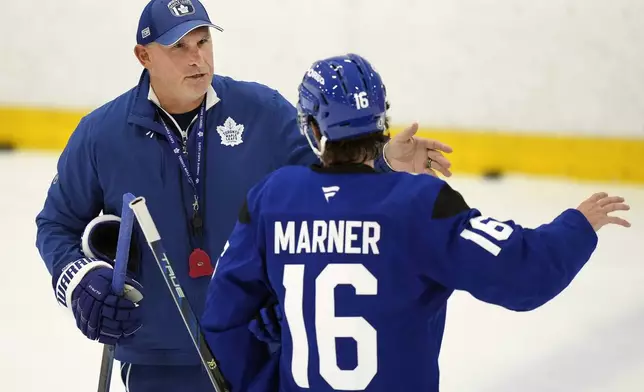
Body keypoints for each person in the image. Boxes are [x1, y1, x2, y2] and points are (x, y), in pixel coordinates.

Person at [34, 1, 455, 391]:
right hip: (156, 360)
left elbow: (325, 187)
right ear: (143, 56)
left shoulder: (262, 113)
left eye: (203, 41)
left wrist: (380, 160)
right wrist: (79, 282)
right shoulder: (100, 135)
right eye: (178, 47)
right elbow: (56, 225)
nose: (197, 58)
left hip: (258, 347)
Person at [200, 53, 632, 392]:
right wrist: (577, 225)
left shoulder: (273, 198)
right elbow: (525, 274)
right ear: (381, 120)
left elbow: (223, 318)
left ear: (313, 128)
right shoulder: (418, 203)